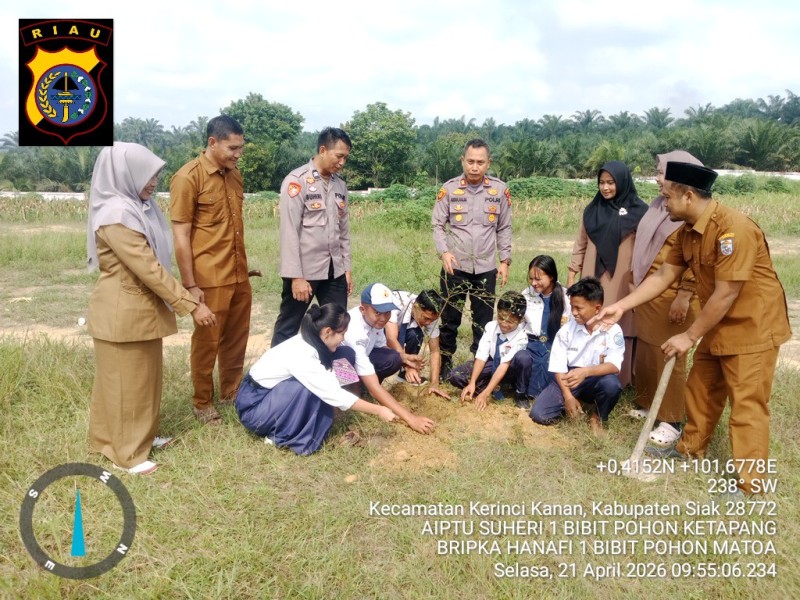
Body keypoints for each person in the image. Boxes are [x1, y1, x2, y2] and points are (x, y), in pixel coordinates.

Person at [593, 162, 791, 494]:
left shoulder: (733, 230)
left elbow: (727, 291)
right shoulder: (685, 232)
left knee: (747, 406)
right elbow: (662, 276)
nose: (663, 204)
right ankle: (690, 450)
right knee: (701, 391)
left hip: (752, 328)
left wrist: (688, 335)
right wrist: (621, 306)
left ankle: (751, 486)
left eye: (666, 197)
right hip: (717, 326)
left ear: (687, 195)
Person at [87, 142, 216, 474]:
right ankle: (129, 455)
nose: (154, 181)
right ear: (125, 174)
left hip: (138, 311)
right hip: (123, 312)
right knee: (126, 384)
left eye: (156, 174)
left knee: (141, 381)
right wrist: (191, 305)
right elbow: (148, 268)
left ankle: (126, 439)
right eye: (148, 174)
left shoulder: (135, 207)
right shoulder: (117, 214)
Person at [170, 115, 252, 425]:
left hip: (238, 274)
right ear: (212, 143)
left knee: (236, 338)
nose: (237, 154)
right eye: (232, 148)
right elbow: (180, 237)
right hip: (209, 278)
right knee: (207, 343)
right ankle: (202, 401)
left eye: (241, 148)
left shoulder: (234, 175)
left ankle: (231, 391)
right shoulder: (187, 178)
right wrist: (191, 287)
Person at [236, 304, 395, 455]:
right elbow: (333, 393)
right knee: (308, 388)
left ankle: (337, 410)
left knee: (345, 353)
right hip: (254, 408)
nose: (342, 338)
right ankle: (281, 434)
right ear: (327, 331)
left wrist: (353, 394)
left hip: (272, 397)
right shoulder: (302, 354)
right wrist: (378, 410)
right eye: (341, 334)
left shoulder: (313, 339)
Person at [628, 151, 702, 446]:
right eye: (658, 172)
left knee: (669, 355)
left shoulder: (688, 213)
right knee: (647, 351)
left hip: (673, 295)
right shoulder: (660, 205)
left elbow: (694, 260)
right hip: (650, 291)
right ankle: (648, 403)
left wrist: (684, 294)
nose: (657, 178)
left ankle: (671, 419)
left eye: (662, 173)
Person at [432, 138, 512, 375]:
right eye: (470, 161)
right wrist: (444, 252)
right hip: (454, 267)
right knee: (449, 318)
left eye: (480, 162)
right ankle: (445, 364)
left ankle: (480, 368)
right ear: (462, 161)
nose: (474, 167)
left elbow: (504, 227)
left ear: (488, 163)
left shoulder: (499, 190)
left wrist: (505, 261)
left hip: (486, 267)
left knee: (484, 323)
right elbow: (438, 224)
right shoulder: (449, 189)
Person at [567, 160, 647, 387]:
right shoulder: (592, 210)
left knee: (622, 322)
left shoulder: (640, 212)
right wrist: (572, 276)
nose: (605, 188)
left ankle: (621, 378)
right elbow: (580, 245)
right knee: (592, 319)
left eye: (611, 182)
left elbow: (646, 251)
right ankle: (588, 373)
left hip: (623, 279)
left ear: (622, 182)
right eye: (601, 183)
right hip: (592, 276)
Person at [271, 127, 353, 346]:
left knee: (338, 325)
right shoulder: (297, 181)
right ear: (323, 150)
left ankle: (334, 375)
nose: (342, 162)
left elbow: (343, 231)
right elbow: (289, 232)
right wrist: (295, 277)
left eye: (346, 157)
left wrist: (347, 268)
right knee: (289, 326)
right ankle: (276, 376)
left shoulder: (340, 186)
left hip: (334, 270)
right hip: (305, 272)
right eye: (339, 156)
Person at [530, 277, 624, 435]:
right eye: (572, 307)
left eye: (578, 308)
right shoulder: (566, 330)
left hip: (595, 377)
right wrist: (567, 396)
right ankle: (575, 401)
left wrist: (586, 372)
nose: (573, 313)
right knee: (539, 414)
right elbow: (558, 367)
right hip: (569, 378)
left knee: (612, 385)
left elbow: (614, 365)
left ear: (597, 308)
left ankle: (597, 417)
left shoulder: (613, 330)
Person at [343, 283, 436, 434]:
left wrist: (405, 359)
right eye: (377, 312)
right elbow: (374, 388)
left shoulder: (375, 323)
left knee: (393, 357)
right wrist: (411, 418)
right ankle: (351, 397)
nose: (383, 318)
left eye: (387, 313)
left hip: (358, 360)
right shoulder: (355, 331)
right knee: (353, 396)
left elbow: (383, 348)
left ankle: (360, 389)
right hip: (337, 366)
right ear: (362, 309)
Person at [448, 291, 532, 411]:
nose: (503, 323)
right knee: (455, 376)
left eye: (509, 321)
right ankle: (492, 388)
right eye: (501, 318)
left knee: (524, 358)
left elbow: (504, 365)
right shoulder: (491, 327)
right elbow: (481, 356)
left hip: (508, 369)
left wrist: (485, 394)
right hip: (491, 363)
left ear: (520, 321)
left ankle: (517, 392)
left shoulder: (521, 337)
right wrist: (472, 382)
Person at [384, 289, 449, 399]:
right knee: (389, 358)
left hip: (400, 330)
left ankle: (404, 374)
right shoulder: (396, 303)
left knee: (416, 334)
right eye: (426, 318)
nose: (428, 323)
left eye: (431, 320)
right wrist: (409, 365)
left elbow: (435, 351)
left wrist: (434, 384)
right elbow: (390, 338)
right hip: (382, 329)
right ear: (416, 307)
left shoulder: (431, 314)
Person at [522, 255, 570, 398]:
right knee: (523, 358)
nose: (534, 283)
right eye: (531, 279)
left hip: (555, 343)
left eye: (538, 279)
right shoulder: (526, 295)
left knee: (546, 360)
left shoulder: (565, 297)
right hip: (531, 343)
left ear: (551, 277)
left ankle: (538, 394)